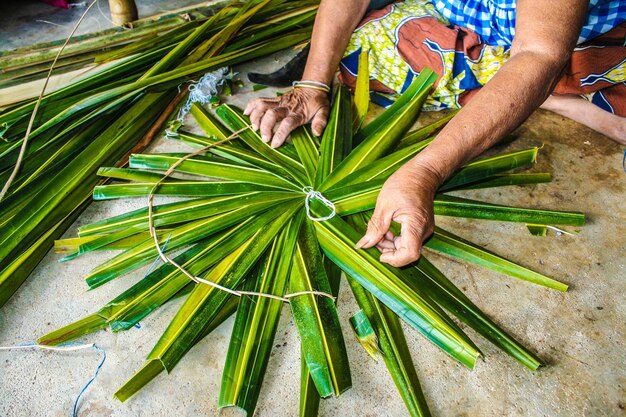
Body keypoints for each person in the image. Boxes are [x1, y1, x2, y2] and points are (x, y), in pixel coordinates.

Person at [244, 0, 626, 267]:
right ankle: (531, 92)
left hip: (571, 36)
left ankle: (535, 89)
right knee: (354, 52)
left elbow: (539, 52)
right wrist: (312, 85)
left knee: (561, 73)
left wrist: (424, 171)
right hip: (466, 17)